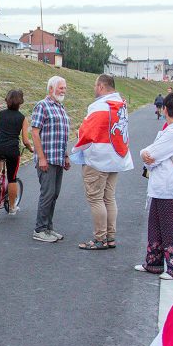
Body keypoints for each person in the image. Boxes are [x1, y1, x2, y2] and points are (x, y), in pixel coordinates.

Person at [134, 91, 173, 280]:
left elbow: (152, 155)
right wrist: (147, 155)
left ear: (166, 109)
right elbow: (153, 156)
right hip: (166, 187)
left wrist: (142, 152)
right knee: (156, 226)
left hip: (170, 187)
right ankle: (153, 262)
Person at [70, 74, 133, 250]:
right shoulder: (121, 104)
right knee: (109, 198)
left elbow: (87, 131)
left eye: (95, 85)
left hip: (98, 159)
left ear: (101, 87)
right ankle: (110, 236)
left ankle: (100, 238)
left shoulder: (99, 106)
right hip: (116, 157)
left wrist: (78, 136)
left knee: (95, 198)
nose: (94, 89)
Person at [31, 76, 71, 242]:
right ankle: (40, 229)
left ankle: (48, 227)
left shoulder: (60, 108)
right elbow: (34, 132)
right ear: (51, 89)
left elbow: (62, 136)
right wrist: (41, 158)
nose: (63, 90)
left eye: (64, 88)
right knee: (47, 194)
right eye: (60, 87)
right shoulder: (43, 106)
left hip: (58, 159)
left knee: (54, 194)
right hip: (46, 159)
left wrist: (66, 156)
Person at [0, 89, 34, 215]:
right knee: (12, 178)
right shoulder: (22, 118)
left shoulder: (0, 114)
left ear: (6, 101)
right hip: (12, 152)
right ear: (20, 103)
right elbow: (25, 140)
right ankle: (12, 207)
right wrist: (31, 148)